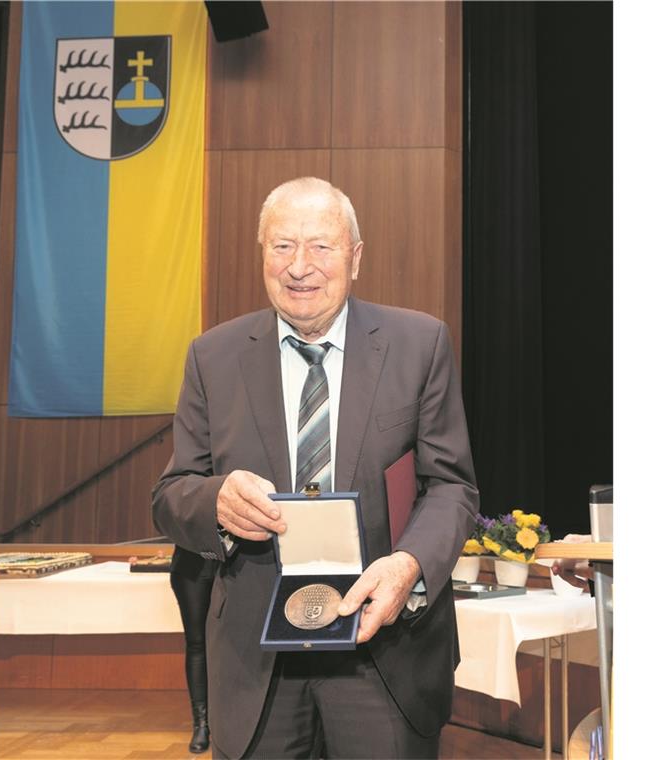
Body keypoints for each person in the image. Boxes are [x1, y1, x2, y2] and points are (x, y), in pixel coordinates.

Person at [152, 177, 479, 759]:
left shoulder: (419, 343)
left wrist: (408, 565)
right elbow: (173, 493)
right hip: (257, 660)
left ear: (355, 257)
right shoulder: (213, 356)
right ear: (263, 254)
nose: (300, 266)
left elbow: (451, 487)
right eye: (282, 246)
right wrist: (215, 502)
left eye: (321, 246)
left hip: (383, 645)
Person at [169, 545, 218, 753]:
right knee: (197, 643)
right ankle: (201, 723)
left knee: (234, 643)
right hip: (190, 566)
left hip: (235, 568)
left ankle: (230, 718)